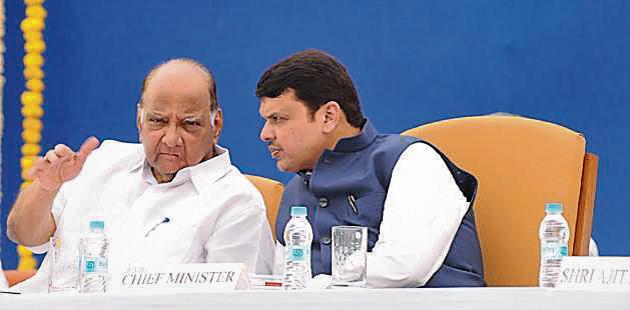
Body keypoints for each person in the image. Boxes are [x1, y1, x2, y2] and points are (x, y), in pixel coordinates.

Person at [7, 58, 274, 292]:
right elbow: (23, 234)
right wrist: (46, 188)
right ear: (139, 119)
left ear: (216, 124)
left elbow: (233, 303)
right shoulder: (101, 161)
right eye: (157, 121)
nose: (171, 139)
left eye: (189, 124)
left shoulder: (236, 202)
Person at [256, 49, 485, 288]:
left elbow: (404, 267)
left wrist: (320, 287)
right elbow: (288, 283)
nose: (265, 134)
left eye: (278, 119)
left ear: (328, 116)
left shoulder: (411, 160)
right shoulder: (294, 192)